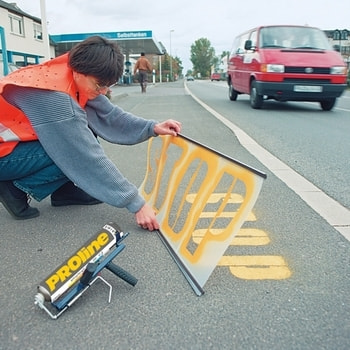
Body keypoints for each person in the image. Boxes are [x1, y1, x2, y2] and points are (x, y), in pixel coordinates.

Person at [0, 36, 181, 231]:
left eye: (108, 86)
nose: (103, 91)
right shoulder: (56, 97)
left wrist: (152, 127)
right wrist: (136, 203)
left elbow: (110, 115)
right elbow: (85, 155)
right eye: (99, 85)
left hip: (12, 149)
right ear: (80, 71)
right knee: (71, 147)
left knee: (78, 136)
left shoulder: (72, 72)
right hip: (4, 158)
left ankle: (64, 192)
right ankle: (15, 189)